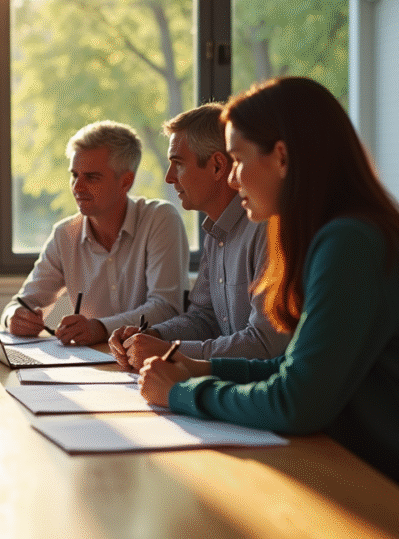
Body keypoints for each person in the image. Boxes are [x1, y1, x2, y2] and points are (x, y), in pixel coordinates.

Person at [139, 77, 399, 481]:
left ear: (281, 158)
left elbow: (295, 403)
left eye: (239, 159)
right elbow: (295, 370)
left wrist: (181, 393)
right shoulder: (340, 233)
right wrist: (199, 369)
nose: (232, 178)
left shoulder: (351, 242)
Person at [108, 104, 289, 367]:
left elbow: (265, 344)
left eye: (178, 164)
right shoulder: (216, 231)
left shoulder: (267, 228)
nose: (169, 178)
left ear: (217, 166)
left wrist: (169, 351)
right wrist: (150, 336)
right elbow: (204, 318)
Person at [0, 120, 189, 346]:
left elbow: (166, 308)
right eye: (74, 175)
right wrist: (14, 317)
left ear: (126, 181)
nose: (77, 187)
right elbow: (21, 303)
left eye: (91, 177)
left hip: (150, 363)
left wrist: (99, 328)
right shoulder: (64, 235)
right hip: (91, 366)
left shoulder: (160, 219)